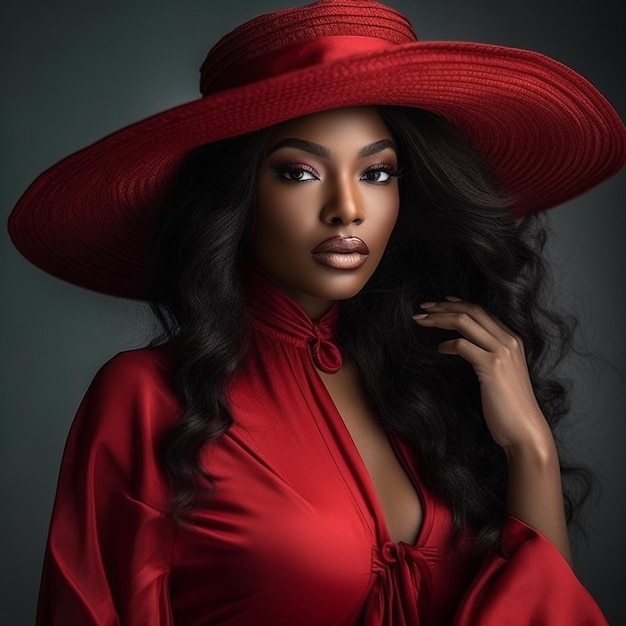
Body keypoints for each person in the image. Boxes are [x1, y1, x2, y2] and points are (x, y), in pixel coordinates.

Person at [8, 0, 625, 624]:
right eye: (301, 172)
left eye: (378, 173)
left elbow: (546, 608)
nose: (347, 208)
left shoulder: (435, 383)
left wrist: (529, 449)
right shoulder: (145, 398)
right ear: (237, 195)